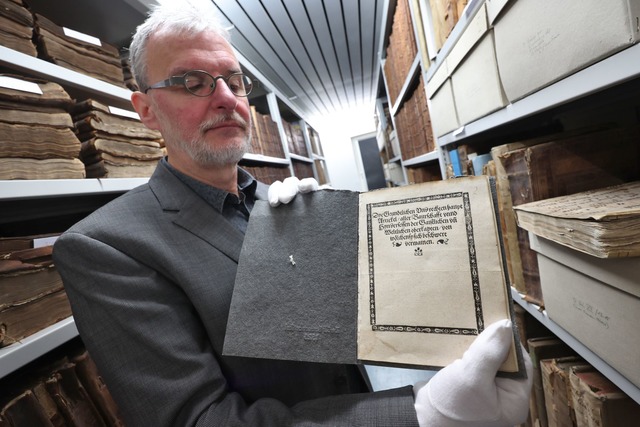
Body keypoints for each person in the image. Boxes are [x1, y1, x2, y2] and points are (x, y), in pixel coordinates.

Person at [53, 1, 532, 426]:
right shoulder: (105, 246)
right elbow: (197, 419)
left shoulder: (277, 203)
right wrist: (422, 414)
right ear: (147, 110)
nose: (224, 98)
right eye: (192, 82)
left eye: (234, 81)